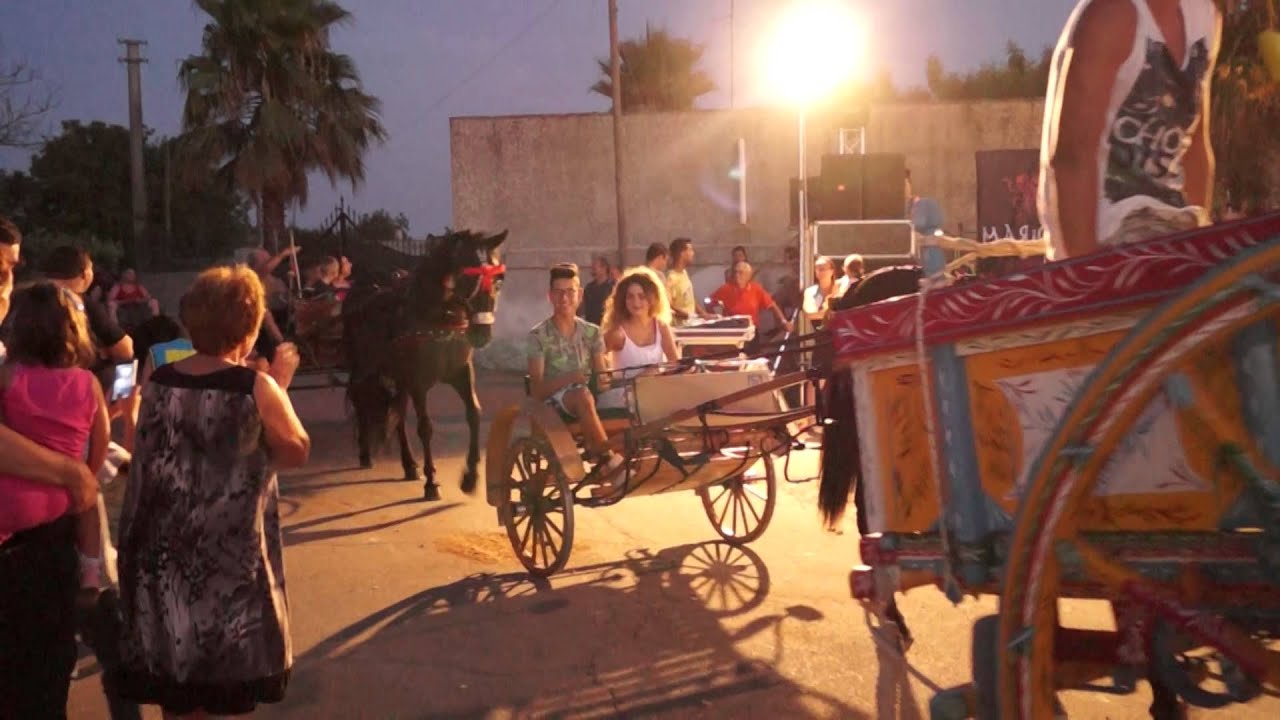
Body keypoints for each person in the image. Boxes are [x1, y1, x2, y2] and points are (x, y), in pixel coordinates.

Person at [113, 265, 309, 718]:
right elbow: (296, 448)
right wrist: (280, 384)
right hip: (224, 562)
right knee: (220, 687)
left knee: (177, 685)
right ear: (249, 325)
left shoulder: (162, 381)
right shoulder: (253, 387)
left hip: (162, 555)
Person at [0, 217, 107, 720]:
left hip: (12, 537)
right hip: (57, 539)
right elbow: (92, 471)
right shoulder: (88, 386)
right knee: (47, 668)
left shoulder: (9, 379)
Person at [1038, 0, 1221, 260]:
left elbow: (1194, 145)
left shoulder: (1204, 15)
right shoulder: (1111, 15)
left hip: (1173, 231)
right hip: (1108, 235)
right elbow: (1071, 157)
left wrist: (1203, 245)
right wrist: (1084, 274)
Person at [1, 282, 112, 593]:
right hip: (62, 505)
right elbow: (99, 447)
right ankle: (91, 574)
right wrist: (82, 473)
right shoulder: (88, 383)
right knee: (91, 503)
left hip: (9, 506)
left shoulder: (8, 375)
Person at [526, 263, 624, 481]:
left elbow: (601, 379)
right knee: (581, 394)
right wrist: (571, 378)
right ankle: (607, 459)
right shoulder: (538, 335)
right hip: (554, 405)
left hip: (588, 397)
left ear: (579, 295)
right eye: (559, 292)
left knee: (630, 395)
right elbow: (537, 390)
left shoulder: (592, 332)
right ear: (550, 296)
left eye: (570, 292)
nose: (564, 298)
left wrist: (612, 379)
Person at [597, 268, 679, 410]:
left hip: (655, 392)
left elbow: (676, 364)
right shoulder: (617, 333)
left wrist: (656, 371)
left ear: (652, 299)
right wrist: (603, 376)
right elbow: (593, 354)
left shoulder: (661, 327)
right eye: (630, 296)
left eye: (642, 296)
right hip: (625, 396)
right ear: (623, 300)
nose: (636, 302)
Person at [711, 261, 793, 334]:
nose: (737, 275)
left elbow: (772, 305)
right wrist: (713, 318)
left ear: (748, 276)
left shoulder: (756, 289)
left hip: (751, 331)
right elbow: (709, 302)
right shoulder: (726, 289)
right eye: (735, 272)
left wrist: (784, 321)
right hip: (731, 331)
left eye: (740, 273)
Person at [665, 237, 713, 327]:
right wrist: (687, 316)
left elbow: (690, 299)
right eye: (690, 250)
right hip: (681, 328)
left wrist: (704, 314)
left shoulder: (684, 273)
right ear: (682, 254)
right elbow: (668, 305)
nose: (693, 253)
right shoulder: (671, 278)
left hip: (692, 324)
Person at [802, 256, 841, 332]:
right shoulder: (811, 291)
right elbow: (810, 314)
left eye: (822, 269)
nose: (819, 272)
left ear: (831, 271)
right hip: (820, 335)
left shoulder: (840, 288)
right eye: (817, 269)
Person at [578, 254, 616, 327]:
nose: (592, 270)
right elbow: (583, 307)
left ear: (604, 268)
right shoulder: (589, 287)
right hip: (590, 326)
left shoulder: (613, 287)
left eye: (595, 268)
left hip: (606, 326)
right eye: (592, 268)